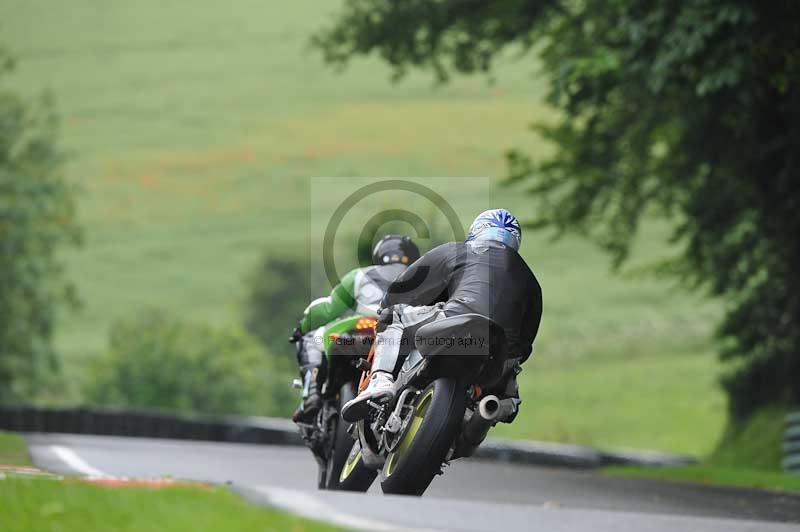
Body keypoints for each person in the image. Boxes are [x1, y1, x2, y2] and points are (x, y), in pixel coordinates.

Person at [342, 209, 542, 423]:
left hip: (456, 317)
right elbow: (525, 342)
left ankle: (380, 381)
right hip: (498, 349)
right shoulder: (530, 279)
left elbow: (401, 289)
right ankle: (477, 421)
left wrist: (386, 307)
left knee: (394, 316)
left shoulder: (459, 251)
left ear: (476, 231)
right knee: (506, 399)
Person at [290, 235, 420, 423]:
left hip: (363, 328)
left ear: (379, 254)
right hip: (405, 340)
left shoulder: (360, 275)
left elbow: (328, 309)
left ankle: (312, 396)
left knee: (312, 338)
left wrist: (301, 328)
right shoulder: (424, 278)